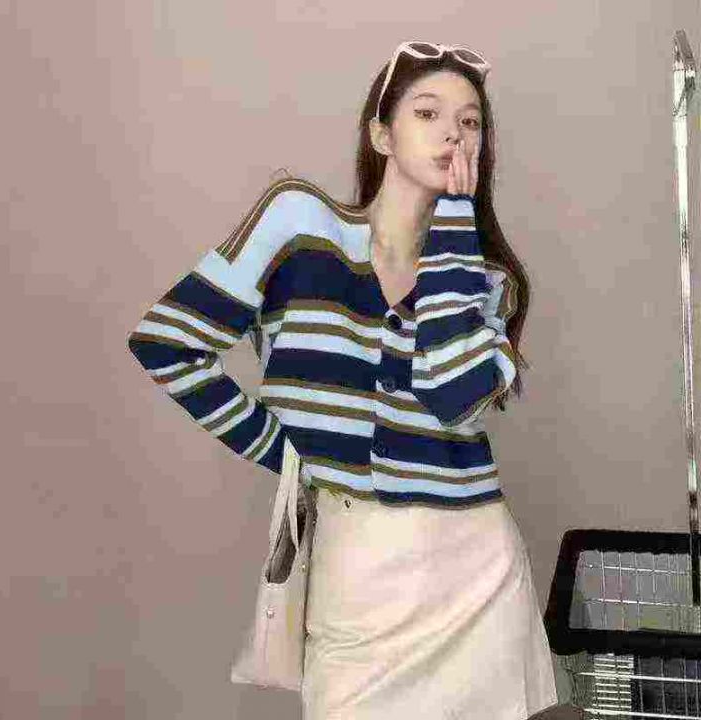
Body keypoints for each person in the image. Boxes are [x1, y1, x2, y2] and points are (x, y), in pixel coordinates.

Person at [127, 40, 558, 719]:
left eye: (470, 122)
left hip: (476, 575)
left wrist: (454, 221)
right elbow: (167, 342)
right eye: (428, 113)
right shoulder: (298, 224)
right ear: (381, 134)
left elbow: (451, 394)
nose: (453, 133)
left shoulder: (488, 284)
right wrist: (290, 456)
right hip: (354, 569)